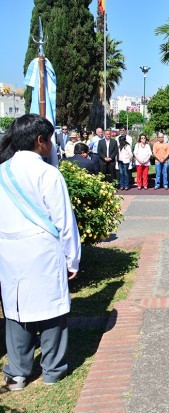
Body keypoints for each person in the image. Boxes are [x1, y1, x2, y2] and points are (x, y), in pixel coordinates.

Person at [0, 114, 81, 391]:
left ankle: (17, 373)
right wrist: (72, 259)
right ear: (40, 141)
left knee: (16, 309)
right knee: (52, 310)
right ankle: (52, 370)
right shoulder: (48, 174)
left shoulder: (2, 171)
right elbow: (64, 221)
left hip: (9, 251)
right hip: (43, 250)